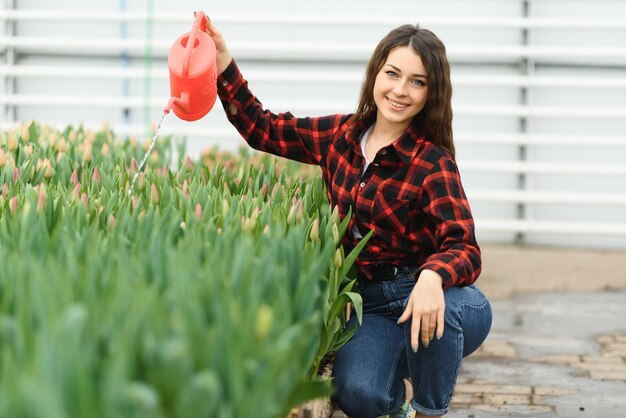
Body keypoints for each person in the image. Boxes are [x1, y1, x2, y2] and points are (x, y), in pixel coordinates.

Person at [205, 18, 493, 418]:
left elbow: (464, 246)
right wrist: (223, 65)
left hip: (434, 295)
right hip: (370, 304)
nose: (399, 90)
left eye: (417, 81)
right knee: (359, 394)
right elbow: (263, 129)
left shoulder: (432, 163)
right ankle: (398, 401)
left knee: (440, 312)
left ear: (431, 93)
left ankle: (429, 411)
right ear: (376, 73)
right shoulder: (340, 135)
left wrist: (433, 277)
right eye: (392, 74)